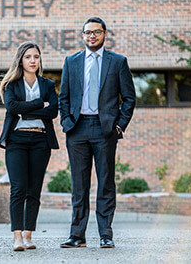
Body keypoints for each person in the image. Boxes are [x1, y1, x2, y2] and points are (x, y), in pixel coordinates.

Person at [58, 17, 136, 248]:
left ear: (104, 34)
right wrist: (66, 122)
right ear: (83, 35)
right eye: (87, 32)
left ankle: (105, 234)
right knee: (79, 185)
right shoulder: (71, 62)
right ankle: (77, 235)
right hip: (77, 129)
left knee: (106, 182)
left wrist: (119, 124)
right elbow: (63, 97)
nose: (92, 36)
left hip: (105, 130)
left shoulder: (118, 62)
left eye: (96, 32)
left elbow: (129, 98)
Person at [0, 41, 59, 251]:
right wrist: (40, 104)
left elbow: (53, 112)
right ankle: (17, 236)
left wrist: (27, 111)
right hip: (17, 141)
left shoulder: (48, 85)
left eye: (36, 57)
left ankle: (28, 234)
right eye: (28, 57)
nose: (33, 60)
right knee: (18, 188)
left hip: (41, 140)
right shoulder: (10, 85)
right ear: (21, 60)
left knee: (34, 190)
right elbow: (12, 107)